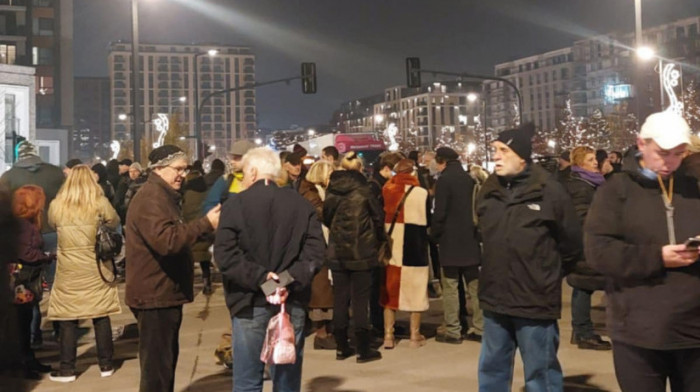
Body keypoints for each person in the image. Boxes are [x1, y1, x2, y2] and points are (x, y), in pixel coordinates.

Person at [585, 111, 700, 392]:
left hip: (694, 330)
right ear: (641, 144)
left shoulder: (695, 184)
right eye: (662, 152)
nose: (670, 161)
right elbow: (598, 252)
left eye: (678, 153)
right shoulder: (616, 190)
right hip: (636, 332)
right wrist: (657, 257)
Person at [477, 123, 582, 391]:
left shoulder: (550, 191)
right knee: (492, 372)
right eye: (495, 150)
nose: (496, 156)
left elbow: (571, 244)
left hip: (534, 301)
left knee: (541, 375)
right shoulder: (488, 190)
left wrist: (545, 275)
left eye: (503, 150)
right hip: (495, 299)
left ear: (522, 155)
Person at [214, 147, 324, 392]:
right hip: (290, 300)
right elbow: (315, 254)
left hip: (249, 301)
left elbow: (225, 254)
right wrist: (283, 280)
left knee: (247, 381)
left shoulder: (235, 205)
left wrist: (263, 279)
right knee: (286, 380)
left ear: (252, 172)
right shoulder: (301, 205)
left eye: (242, 174)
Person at [126, 145, 220, 392]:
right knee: (157, 369)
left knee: (163, 364)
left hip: (161, 292)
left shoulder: (162, 196)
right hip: (154, 295)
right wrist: (205, 224)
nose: (182, 174)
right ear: (157, 169)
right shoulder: (152, 198)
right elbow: (168, 241)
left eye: (185, 169)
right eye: (177, 169)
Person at [46, 166, 122, 383]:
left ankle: (67, 369)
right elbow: (114, 221)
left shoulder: (58, 204)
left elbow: (52, 223)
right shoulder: (99, 202)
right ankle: (106, 364)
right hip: (96, 266)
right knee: (100, 314)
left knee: (69, 317)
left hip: (69, 269)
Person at [324, 151, 386, 363]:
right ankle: (363, 348)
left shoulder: (332, 189)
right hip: (362, 250)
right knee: (361, 300)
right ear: (360, 168)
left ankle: (341, 346)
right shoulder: (365, 189)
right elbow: (378, 217)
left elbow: (326, 217)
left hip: (337, 250)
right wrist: (379, 239)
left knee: (340, 298)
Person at [0, 140, 64, 345]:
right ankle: (62, 328)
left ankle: (32, 335)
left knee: (27, 287)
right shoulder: (55, 173)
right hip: (53, 231)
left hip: (22, 236)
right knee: (57, 285)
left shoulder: (8, 177)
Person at [431, 147, 483, 344]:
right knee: (474, 286)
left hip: (450, 240)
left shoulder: (444, 181)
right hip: (470, 238)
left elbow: (440, 212)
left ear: (441, 161)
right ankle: (480, 328)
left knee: (451, 285)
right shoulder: (470, 179)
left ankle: (453, 330)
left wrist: (434, 234)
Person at [563, 146, 611, 351]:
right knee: (583, 287)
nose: (595, 162)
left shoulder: (589, 183)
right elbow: (583, 217)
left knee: (584, 288)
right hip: (586, 245)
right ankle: (583, 332)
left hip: (588, 244)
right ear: (580, 163)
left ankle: (581, 331)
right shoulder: (581, 187)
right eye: (590, 159)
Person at [381, 159, 430, 349]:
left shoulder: (387, 190)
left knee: (389, 288)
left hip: (392, 243)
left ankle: (388, 336)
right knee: (416, 286)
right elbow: (429, 219)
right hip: (414, 242)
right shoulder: (422, 193)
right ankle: (414, 335)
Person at [10, 185, 53, 375]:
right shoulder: (25, 226)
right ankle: (24, 362)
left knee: (23, 322)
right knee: (22, 322)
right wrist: (46, 256)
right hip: (23, 280)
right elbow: (26, 253)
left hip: (20, 279)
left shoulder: (19, 223)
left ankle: (27, 359)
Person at [298, 160, 337, 350]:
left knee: (325, 290)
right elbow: (324, 214)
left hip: (322, 244)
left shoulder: (313, 191)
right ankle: (321, 333)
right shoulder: (310, 193)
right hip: (317, 246)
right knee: (321, 291)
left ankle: (326, 331)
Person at [181, 161, 214, 295]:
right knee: (204, 257)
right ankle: (207, 282)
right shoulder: (207, 193)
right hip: (205, 226)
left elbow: (183, 211)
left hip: (191, 228)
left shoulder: (186, 194)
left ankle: (189, 284)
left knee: (190, 258)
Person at [203, 140, 256, 213]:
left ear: (249, 159)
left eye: (236, 158)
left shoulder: (261, 180)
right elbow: (209, 206)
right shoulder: (225, 180)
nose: (232, 161)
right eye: (232, 157)